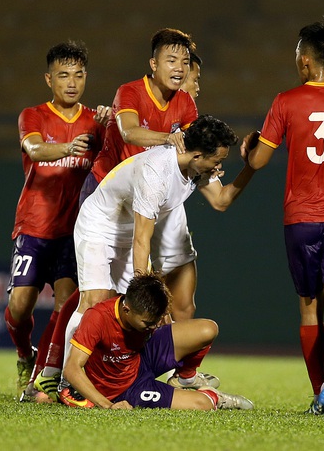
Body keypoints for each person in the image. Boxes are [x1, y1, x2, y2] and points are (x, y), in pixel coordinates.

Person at [31, 28, 201, 396]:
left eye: (184, 62)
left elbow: (192, 150)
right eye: (171, 60)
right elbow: (129, 132)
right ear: (153, 64)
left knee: (120, 303)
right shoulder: (130, 91)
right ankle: (58, 375)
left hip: (140, 204)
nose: (179, 68)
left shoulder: (185, 104)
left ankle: (101, 375)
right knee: (91, 299)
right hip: (106, 196)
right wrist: (169, 140)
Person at [60, 114, 257, 398]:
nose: (219, 167)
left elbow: (221, 200)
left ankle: (125, 375)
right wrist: (148, 292)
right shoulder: (156, 172)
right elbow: (143, 239)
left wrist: (251, 166)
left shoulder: (196, 167)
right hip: (99, 227)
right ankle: (68, 383)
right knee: (95, 300)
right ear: (198, 154)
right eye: (217, 160)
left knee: (136, 314)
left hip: (129, 233)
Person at [247, 19, 324, 416]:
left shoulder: (286, 101)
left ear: (304, 62)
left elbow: (260, 159)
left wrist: (249, 148)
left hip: (300, 218)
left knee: (307, 308)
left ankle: (317, 390)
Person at [3, 40, 111, 401]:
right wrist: (67, 148)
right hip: (33, 227)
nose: (72, 82)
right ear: (49, 79)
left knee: (66, 304)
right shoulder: (33, 115)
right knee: (20, 306)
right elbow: (33, 148)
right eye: (64, 75)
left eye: (79, 75)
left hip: (73, 232)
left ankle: (50, 379)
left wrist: (108, 128)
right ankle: (24, 355)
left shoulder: (93, 122)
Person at [62, 271, 254, 410]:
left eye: (156, 321)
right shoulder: (98, 317)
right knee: (203, 404)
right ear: (126, 309)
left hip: (142, 358)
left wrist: (159, 320)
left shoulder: (147, 316)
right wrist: (108, 405)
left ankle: (185, 378)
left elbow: (153, 321)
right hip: (125, 389)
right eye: (148, 323)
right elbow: (71, 369)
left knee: (208, 329)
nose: (153, 327)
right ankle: (217, 397)